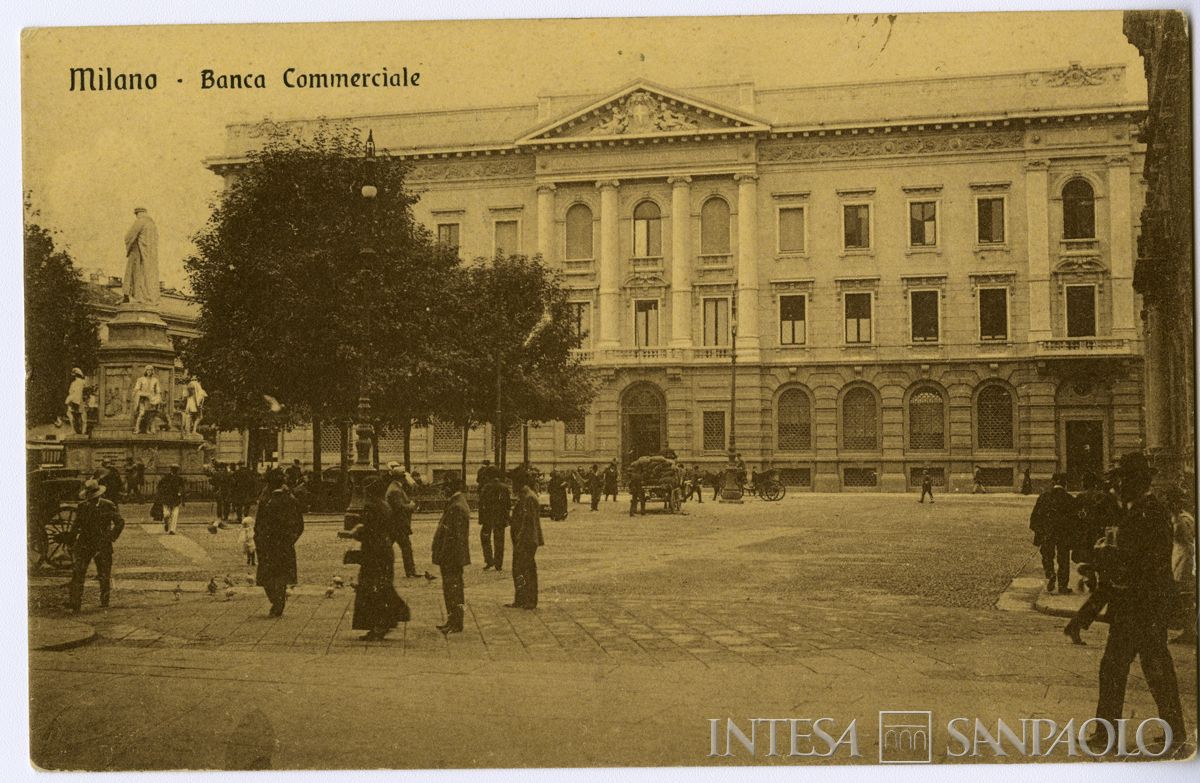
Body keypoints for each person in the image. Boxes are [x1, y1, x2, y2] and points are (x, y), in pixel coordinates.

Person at [1091, 452, 1185, 753]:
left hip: (1142, 605)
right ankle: (1172, 732)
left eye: (1124, 479)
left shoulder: (1149, 511)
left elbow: (1143, 560)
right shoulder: (1142, 510)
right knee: (1142, 668)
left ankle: (1108, 734)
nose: (1120, 485)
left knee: (1133, 668)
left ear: (1136, 481)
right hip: (1140, 605)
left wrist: (1108, 554)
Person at [350, 475, 412, 640]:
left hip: (374, 553)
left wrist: (356, 532)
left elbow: (369, 530)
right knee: (381, 586)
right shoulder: (384, 505)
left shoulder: (370, 506)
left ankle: (381, 623)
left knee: (373, 588)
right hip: (384, 551)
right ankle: (383, 622)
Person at [64, 479, 125, 611]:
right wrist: (70, 542)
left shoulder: (108, 505)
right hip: (84, 544)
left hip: (102, 544)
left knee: (104, 574)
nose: (90, 500)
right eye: (89, 497)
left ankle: (104, 601)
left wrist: (111, 537)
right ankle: (75, 603)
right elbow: (76, 525)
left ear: (98, 495)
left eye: (93, 497)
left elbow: (120, 522)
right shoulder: (82, 506)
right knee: (78, 573)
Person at [254, 469, 304, 617]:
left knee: (268, 575)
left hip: (271, 543)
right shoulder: (290, 499)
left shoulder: (268, 500)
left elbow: (259, 523)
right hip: (281, 544)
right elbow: (299, 524)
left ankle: (276, 602)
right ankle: (278, 602)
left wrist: (258, 538)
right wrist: (291, 539)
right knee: (279, 575)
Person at [432, 477, 471, 635]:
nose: (443, 491)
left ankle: (455, 622)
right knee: (452, 589)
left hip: (451, 556)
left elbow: (454, 536)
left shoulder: (456, 506)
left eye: (445, 487)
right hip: (452, 555)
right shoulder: (456, 503)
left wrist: (444, 554)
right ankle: (452, 621)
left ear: (450, 488)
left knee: (453, 589)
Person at [1029, 472, 1079, 594]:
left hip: (1048, 532)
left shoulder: (1044, 497)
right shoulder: (1070, 499)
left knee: (1047, 555)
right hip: (1063, 533)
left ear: (1053, 482)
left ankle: (1050, 573)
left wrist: (1039, 531)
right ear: (1065, 484)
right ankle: (1062, 586)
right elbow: (1075, 520)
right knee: (1064, 558)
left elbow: (1035, 517)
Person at [508, 469, 544, 609]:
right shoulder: (524, 496)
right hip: (522, 540)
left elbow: (528, 522)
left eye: (513, 482)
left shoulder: (528, 497)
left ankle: (530, 600)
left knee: (527, 570)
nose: (512, 486)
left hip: (526, 540)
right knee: (519, 569)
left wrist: (519, 539)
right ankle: (521, 598)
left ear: (519, 482)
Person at [1166, 486, 1196, 646]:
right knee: (1184, 595)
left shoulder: (1181, 518)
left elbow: (1180, 535)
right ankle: (1187, 629)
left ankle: (1189, 630)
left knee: (1185, 595)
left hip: (1183, 557)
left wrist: (1174, 517)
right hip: (1182, 555)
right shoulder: (1186, 517)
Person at [385, 462, 419, 579]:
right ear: (401, 478)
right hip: (398, 524)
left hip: (395, 524)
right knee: (406, 547)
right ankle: (410, 571)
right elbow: (399, 507)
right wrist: (411, 506)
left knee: (388, 546)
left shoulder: (395, 487)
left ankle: (410, 571)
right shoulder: (396, 490)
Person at [478, 472, 510, 572]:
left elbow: (481, 503)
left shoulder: (486, 487)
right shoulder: (504, 487)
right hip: (500, 518)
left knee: (485, 538)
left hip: (487, 517)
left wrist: (481, 519)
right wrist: (506, 518)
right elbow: (508, 505)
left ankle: (489, 560)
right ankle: (498, 563)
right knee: (499, 540)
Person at [131, 365, 163, 434]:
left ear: (152, 371)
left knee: (150, 415)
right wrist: (137, 394)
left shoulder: (155, 380)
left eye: (151, 370)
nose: (149, 371)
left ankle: (148, 429)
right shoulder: (141, 379)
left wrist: (158, 397)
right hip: (143, 399)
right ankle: (137, 429)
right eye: (148, 370)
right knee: (141, 414)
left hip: (151, 399)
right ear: (145, 371)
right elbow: (137, 389)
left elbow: (158, 390)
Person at [156, 463, 186, 535]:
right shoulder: (166, 477)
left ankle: (172, 529)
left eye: (176, 469)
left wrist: (181, 495)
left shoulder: (179, 479)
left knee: (175, 514)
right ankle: (166, 523)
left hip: (176, 498)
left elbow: (182, 488)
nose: (175, 470)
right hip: (166, 498)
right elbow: (159, 486)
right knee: (166, 514)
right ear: (171, 469)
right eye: (173, 469)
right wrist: (162, 493)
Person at [65, 367, 87, 434]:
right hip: (76, 400)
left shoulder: (77, 383)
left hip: (76, 400)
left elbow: (71, 392)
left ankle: (76, 430)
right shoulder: (81, 382)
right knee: (81, 416)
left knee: (74, 414)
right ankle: (81, 430)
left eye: (74, 375)